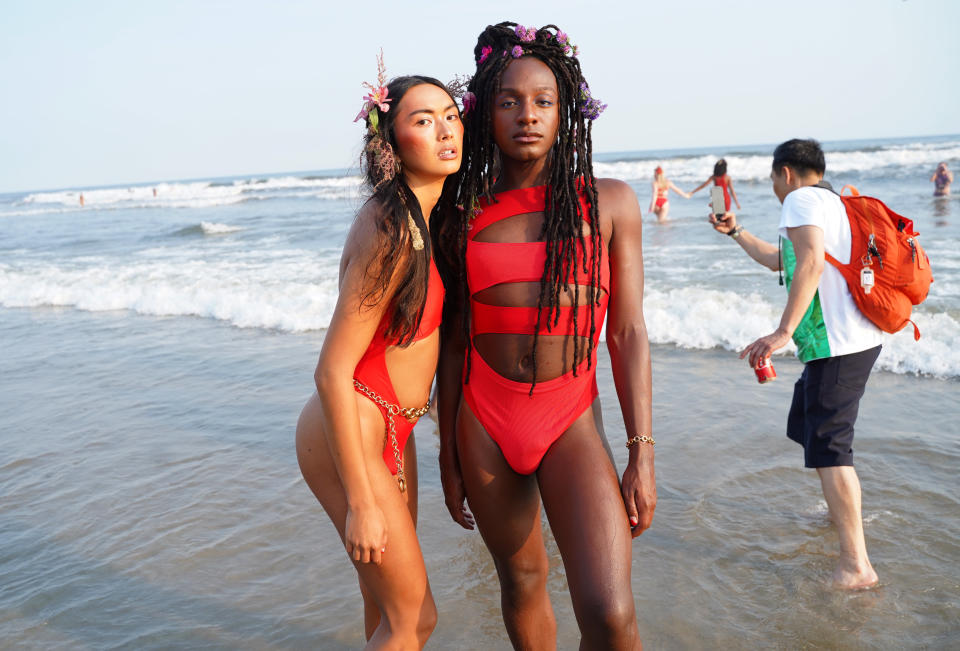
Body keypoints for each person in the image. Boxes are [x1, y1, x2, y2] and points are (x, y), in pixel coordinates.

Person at [435, 22, 655, 649]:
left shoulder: (609, 203)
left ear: (566, 113)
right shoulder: (461, 214)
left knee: (610, 614)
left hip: (569, 418)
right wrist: (447, 455)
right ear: (485, 114)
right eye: (508, 101)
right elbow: (454, 342)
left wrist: (642, 450)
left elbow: (629, 331)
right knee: (523, 582)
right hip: (484, 420)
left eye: (542, 101)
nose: (526, 115)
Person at [295, 54, 464, 648]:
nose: (445, 130)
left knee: (385, 608)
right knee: (414, 618)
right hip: (354, 427)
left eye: (451, 115)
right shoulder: (391, 229)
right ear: (391, 140)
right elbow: (332, 369)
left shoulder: (425, 217)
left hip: (393, 428)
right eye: (424, 120)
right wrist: (362, 502)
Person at [711, 138, 884, 590]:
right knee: (810, 427)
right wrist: (735, 232)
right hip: (847, 342)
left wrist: (782, 332)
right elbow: (781, 262)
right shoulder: (831, 203)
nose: (773, 187)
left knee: (830, 447)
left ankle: (856, 566)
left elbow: (809, 264)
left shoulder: (801, 199)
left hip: (836, 343)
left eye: (772, 178)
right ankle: (837, 514)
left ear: (785, 173)